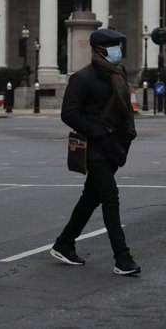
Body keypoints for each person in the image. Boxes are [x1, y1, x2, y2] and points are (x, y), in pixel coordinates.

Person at [51, 28, 140, 275]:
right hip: (94, 149)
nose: (118, 51)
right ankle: (122, 258)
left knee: (91, 198)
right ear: (100, 50)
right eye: (113, 46)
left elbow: (125, 107)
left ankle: (64, 243)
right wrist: (97, 131)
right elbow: (68, 113)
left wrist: (130, 129)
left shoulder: (118, 73)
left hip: (115, 147)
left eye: (119, 46)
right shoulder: (82, 78)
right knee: (110, 198)